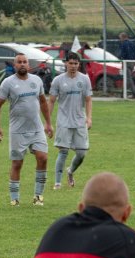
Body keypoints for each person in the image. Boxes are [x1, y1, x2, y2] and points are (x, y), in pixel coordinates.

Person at [0, 52, 54, 206]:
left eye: (24, 62)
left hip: (36, 129)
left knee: (43, 158)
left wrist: (48, 123)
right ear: (15, 65)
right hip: (17, 131)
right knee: (17, 164)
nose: (22, 64)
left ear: (28, 64)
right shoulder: (8, 83)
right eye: (19, 62)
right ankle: (14, 199)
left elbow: (43, 102)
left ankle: (38, 196)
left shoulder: (36, 80)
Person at [48, 51, 93, 190]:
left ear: (79, 64)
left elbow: (88, 99)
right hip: (63, 121)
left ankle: (70, 171)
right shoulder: (58, 80)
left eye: (76, 63)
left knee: (81, 153)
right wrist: (48, 122)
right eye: (71, 63)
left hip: (80, 121)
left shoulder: (84, 79)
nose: (73, 66)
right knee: (63, 151)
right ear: (66, 63)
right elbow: (51, 101)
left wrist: (89, 118)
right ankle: (57, 183)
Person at [117, 32, 135, 99]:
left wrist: (119, 58)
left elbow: (123, 54)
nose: (120, 39)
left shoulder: (123, 44)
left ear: (123, 37)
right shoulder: (132, 44)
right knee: (127, 78)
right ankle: (122, 94)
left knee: (128, 79)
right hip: (132, 63)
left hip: (126, 62)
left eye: (120, 38)